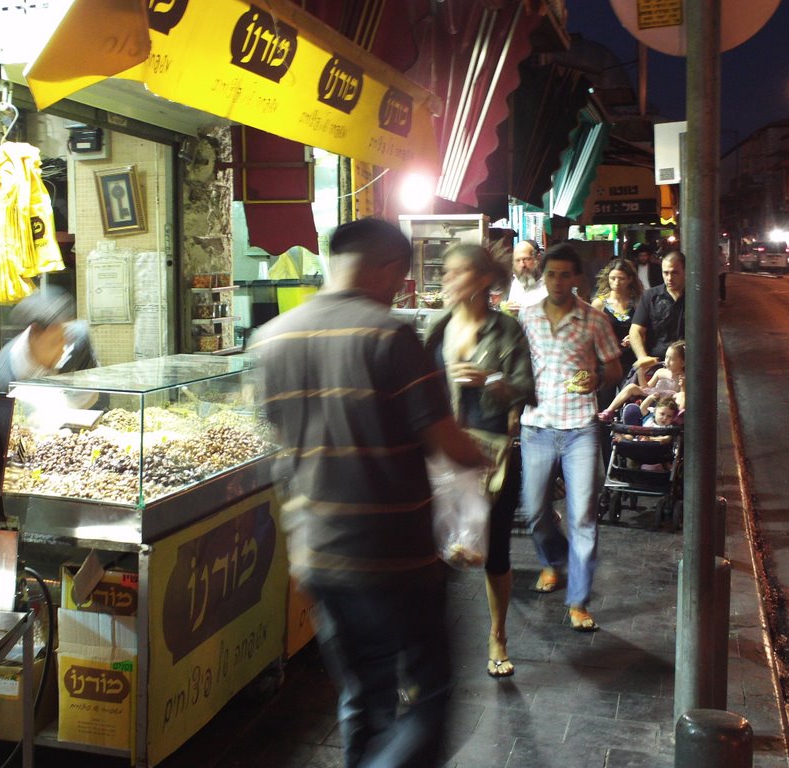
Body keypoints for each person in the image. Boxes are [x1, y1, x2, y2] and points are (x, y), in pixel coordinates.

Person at [251, 218, 487, 768]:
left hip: (316, 551)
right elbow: (446, 443)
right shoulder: (390, 335)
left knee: (362, 693)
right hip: (391, 554)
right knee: (431, 693)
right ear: (385, 267)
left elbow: (282, 438)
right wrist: (482, 454)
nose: (397, 291)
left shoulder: (272, 337)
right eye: (398, 278)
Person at [423, 244, 535, 679]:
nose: (448, 280)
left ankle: (498, 636)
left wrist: (487, 379)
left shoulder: (506, 330)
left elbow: (527, 387)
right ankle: (428, 648)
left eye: (459, 272)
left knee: (496, 551)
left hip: (491, 455)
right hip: (441, 453)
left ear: (484, 279)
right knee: (434, 551)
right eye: (446, 272)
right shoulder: (438, 329)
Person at [518, 243, 622, 632]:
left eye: (565, 274)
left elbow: (613, 369)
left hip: (580, 427)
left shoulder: (594, 320)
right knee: (534, 511)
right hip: (537, 426)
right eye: (551, 274)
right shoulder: (526, 317)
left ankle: (578, 600)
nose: (558, 281)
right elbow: (517, 368)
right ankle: (553, 560)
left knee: (584, 517)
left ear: (576, 278)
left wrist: (597, 378)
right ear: (542, 277)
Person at [0, 285, 98, 392]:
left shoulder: (77, 339)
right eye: (54, 342)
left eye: (64, 337)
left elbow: (93, 386)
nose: (62, 349)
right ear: (33, 335)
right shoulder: (2, 378)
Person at [599, 340, 686, 421]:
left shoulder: (684, 376)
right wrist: (640, 372)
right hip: (654, 397)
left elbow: (683, 395)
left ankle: (678, 415)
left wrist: (682, 386)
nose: (667, 361)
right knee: (631, 387)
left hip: (669, 403)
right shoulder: (660, 372)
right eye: (666, 357)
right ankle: (609, 411)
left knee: (682, 395)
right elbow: (646, 388)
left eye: (671, 359)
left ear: (682, 363)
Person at [629, 250, 686, 364]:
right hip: (658, 361)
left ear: (685, 271)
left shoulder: (696, 298)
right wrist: (642, 357)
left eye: (674, 273)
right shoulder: (650, 296)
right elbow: (635, 331)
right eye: (665, 273)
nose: (669, 278)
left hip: (688, 363)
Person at [591, 258, 643, 377]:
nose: (616, 283)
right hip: (607, 361)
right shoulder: (599, 304)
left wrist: (635, 337)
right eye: (612, 278)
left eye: (621, 278)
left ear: (630, 279)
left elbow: (646, 328)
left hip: (631, 359)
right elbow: (592, 335)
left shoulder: (637, 303)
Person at [504, 239, 547, 313]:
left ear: (538, 258)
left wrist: (524, 312)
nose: (522, 265)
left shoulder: (549, 286)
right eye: (517, 260)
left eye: (526, 259)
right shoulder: (516, 282)